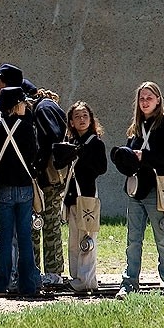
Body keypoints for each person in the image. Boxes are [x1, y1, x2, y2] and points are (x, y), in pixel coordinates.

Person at [114, 81, 164, 298]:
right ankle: (129, 283)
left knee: (162, 238)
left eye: (149, 98)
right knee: (133, 239)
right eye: (142, 98)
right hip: (135, 190)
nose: (145, 102)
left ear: (158, 100)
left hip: (156, 190)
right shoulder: (135, 127)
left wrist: (145, 158)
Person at [0, 86, 41, 297]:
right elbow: (33, 154)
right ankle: (28, 284)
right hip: (25, 187)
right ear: (16, 105)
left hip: (4, 189)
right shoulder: (27, 127)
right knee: (25, 237)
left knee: (4, 238)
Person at [52, 101, 107, 293]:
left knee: (87, 239)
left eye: (85, 116)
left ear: (91, 119)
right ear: (71, 122)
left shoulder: (95, 142)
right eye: (77, 117)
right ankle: (77, 277)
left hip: (88, 196)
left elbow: (102, 168)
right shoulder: (72, 142)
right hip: (72, 196)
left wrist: (81, 155)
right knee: (74, 240)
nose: (82, 120)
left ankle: (87, 280)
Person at [30, 87, 67, 285]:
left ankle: (48, 271)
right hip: (52, 177)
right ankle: (53, 270)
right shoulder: (50, 106)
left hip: (46, 178)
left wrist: (38, 164)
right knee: (50, 224)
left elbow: (51, 138)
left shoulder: (42, 109)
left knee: (43, 224)